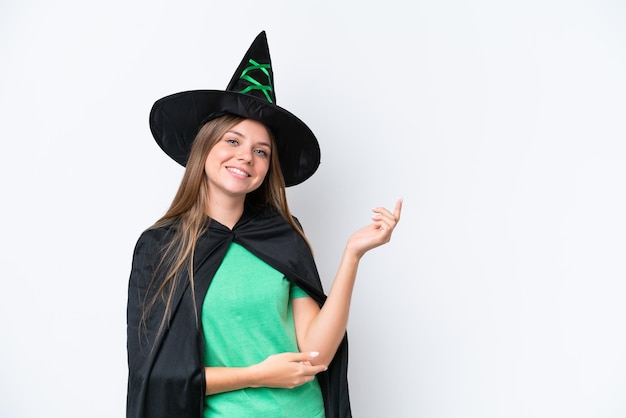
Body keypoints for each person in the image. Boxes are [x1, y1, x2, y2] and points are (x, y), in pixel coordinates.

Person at [126, 31, 402, 418]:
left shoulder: (283, 236)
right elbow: (155, 373)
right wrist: (256, 375)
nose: (246, 158)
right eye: (233, 142)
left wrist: (352, 256)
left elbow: (316, 355)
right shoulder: (162, 246)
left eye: (261, 151)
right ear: (205, 147)